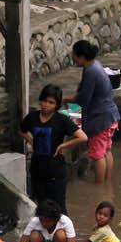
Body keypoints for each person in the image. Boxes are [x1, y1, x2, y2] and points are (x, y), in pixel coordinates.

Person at [18, 84, 86, 213]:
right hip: (37, 168)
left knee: (59, 207)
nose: (46, 105)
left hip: (56, 171)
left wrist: (63, 145)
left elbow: (82, 137)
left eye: (51, 102)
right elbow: (21, 130)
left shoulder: (62, 120)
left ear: (57, 105)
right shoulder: (32, 118)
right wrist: (31, 141)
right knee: (41, 206)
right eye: (44, 101)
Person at [71, 40, 120, 186]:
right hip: (110, 116)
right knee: (106, 150)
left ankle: (99, 188)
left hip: (100, 119)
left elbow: (83, 100)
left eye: (74, 54)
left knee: (98, 155)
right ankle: (107, 182)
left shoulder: (91, 71)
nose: (72, 57)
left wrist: (68, 103)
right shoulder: (95, 65)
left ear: (81, 57)